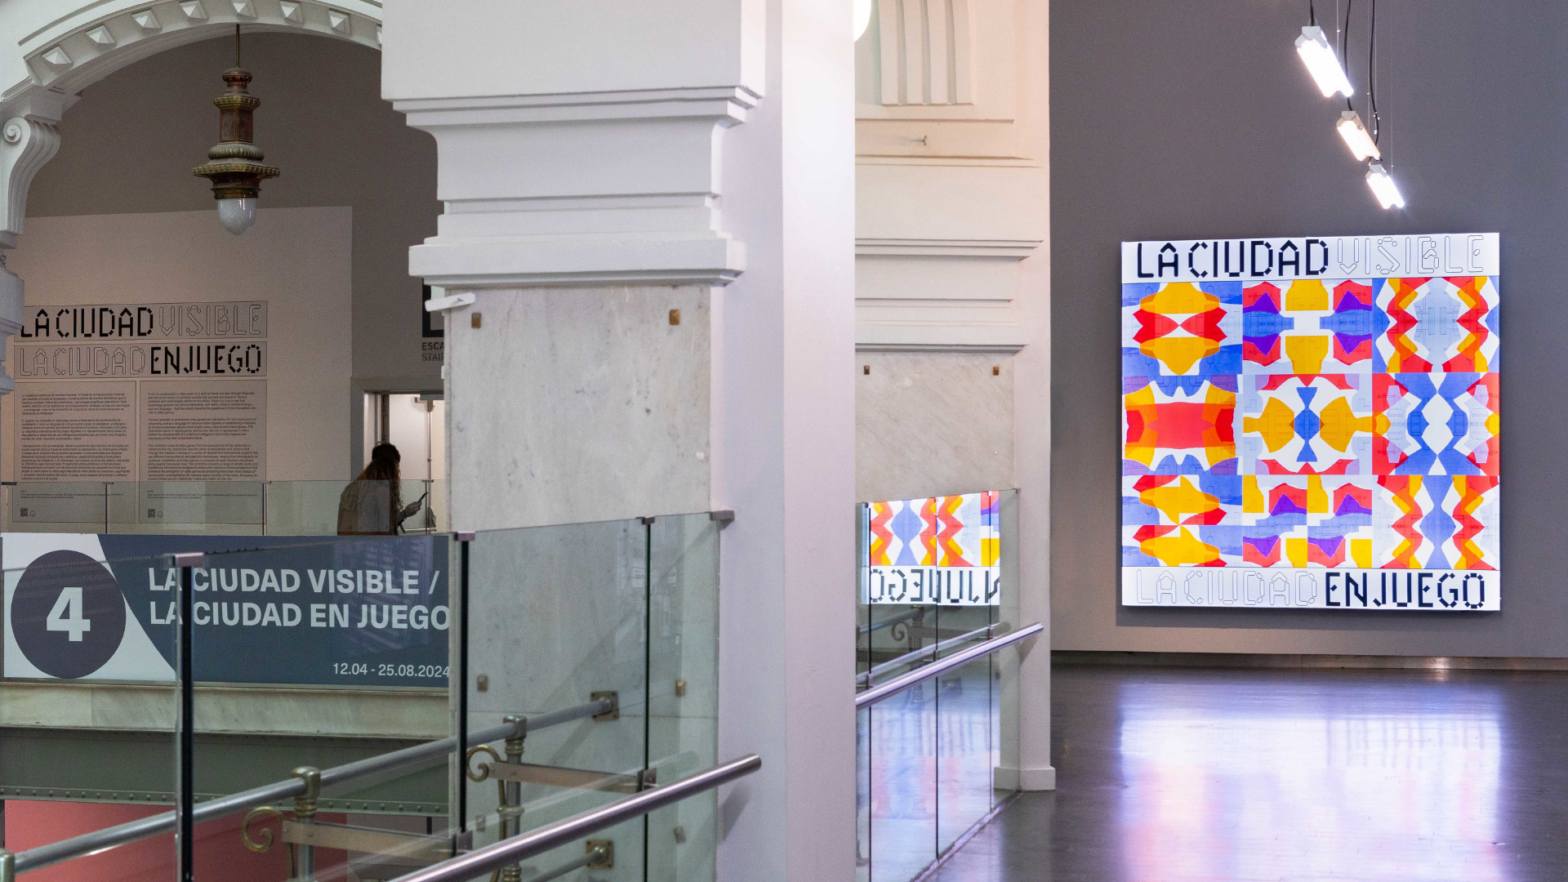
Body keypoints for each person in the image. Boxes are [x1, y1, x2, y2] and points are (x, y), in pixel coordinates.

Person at [337, 443, 423, 535]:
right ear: (392, 469)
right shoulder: (381, 492)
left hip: (347, 543)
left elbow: (372, 520)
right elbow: (385, 532)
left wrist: (404, 513)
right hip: (370, 543)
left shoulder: (350, 489)